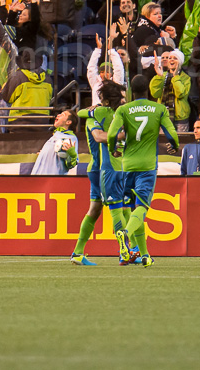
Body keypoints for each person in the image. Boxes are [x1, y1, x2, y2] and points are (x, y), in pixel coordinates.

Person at [107, 74, 180, 268]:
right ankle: (126, 234)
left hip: (127, 165)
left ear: (131, 91)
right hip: (147, 166)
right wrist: (175, 145)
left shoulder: (123, 109)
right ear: (148, 90)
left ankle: (145, 255)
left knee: (132, 210)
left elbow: (112, 134)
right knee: (141, 208)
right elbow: (171, 134)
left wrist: (113, 149)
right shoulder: (159, 109)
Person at [72, 80, 125, 266]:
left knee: (95, 210)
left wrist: (90, 110)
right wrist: (121, 136)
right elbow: (99, 137)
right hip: (108, 167)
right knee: (119, 209)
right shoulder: (117, 114)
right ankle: (125, 251)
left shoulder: (95, 113)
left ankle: (78, 252)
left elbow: (80, 113)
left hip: (96, 167)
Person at [31, 109, 79, 175]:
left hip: (52, 179)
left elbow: (71, 164)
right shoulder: (54, 136)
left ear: (68, 122)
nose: (58, 115)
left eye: (63, 115)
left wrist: (72, 155)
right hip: (37, 177)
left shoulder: (70, 138)